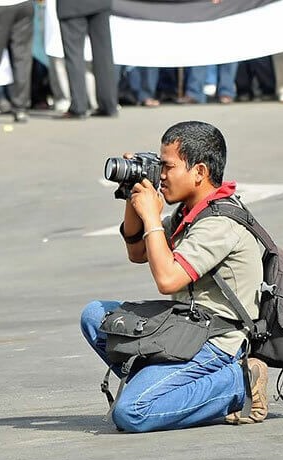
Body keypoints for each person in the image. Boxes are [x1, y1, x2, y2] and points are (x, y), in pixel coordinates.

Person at [80, 121, 268, 432]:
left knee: (132, 414)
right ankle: (162, 384)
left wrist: (152, 215)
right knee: (95, 315)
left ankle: (239, 383)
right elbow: (138, 251)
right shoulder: (189, 212)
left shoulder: (219, 223)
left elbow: (168, 280)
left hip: (216, 342)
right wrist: (133, 193)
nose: (162, 175)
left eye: (167, 166)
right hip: (186, 328)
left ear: (199, 172)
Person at [55, 0, 118, 118]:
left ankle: (78, 106)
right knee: (103, 54)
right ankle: (108, 104)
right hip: (99, 4)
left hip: (71, 6)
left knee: (74, 55)